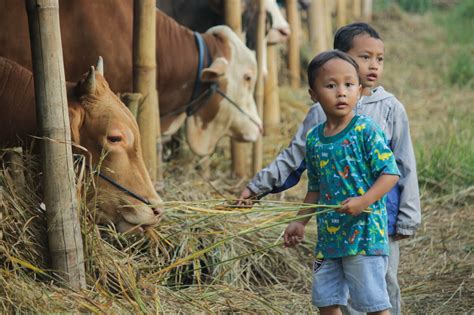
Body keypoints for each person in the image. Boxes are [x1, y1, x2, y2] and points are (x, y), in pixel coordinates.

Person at [238, 23, 421, 315]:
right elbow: (297, 162)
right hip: (333, 230)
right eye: (364, 57)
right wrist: (258, 186)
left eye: (379, 58)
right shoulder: (318, 119)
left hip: (377, 221)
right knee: (340, 295)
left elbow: (403, 165)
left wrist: (408, 216)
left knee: (381, 287)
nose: (373, 65)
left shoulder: (388, 109)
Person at [283, 50, 400, 314]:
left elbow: (390, 173)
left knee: (373, 303)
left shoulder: (365, 130)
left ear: (359, 90)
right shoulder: (314, 139)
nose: (341, 92)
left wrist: (364, 201)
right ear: (313, 94)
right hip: (328, 241)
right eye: (331, 85)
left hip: (364, 238)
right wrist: (299, 222)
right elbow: (315, 188)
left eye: (349, 85)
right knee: (325, 300)